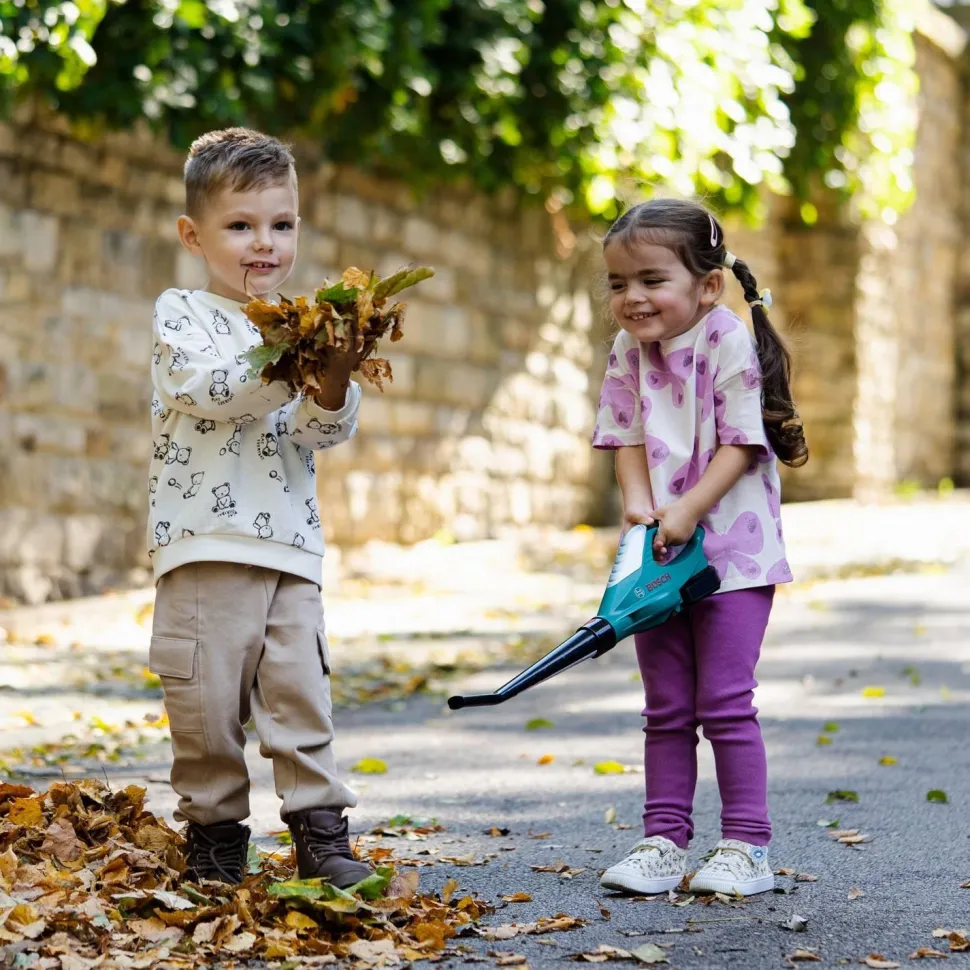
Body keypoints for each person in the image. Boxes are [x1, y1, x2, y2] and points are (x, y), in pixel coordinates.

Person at [147, 127, 371, 888]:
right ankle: (214, 839)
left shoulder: (307, 321)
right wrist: (292, 362)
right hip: (205, 544)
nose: (264, 244)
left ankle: (322, 836)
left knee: (301, 695)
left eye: (281, 224)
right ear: (194, 236)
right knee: (205, 705)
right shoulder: (182, 314)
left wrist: (333, 379)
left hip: (291, 549)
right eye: (240, 226)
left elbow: (317, 431)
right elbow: (207, 391)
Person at [592, 198, 808, 897]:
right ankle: (663, 841)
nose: (632, 297)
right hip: (661, 556)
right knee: (665, 706)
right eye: (619, 283)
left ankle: (746, 846)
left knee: (724, 701)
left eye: (652, 280)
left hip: (733, 555)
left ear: (708, 285)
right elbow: (624, 435)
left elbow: (742, 445)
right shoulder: (627, 349)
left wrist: (686, 509)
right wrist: (638, 507)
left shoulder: (727, 340)